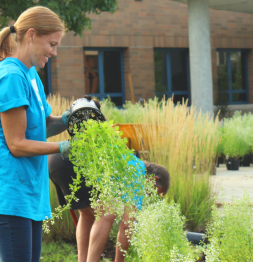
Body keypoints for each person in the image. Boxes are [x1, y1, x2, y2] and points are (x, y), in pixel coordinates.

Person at [0, 6, 72, 262]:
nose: (53, 52)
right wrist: (63, 148)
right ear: (31, 35)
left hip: (31, 193)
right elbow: (17, 144)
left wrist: (69, 118)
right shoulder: (11, 77)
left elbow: (41, 126)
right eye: (51, 44)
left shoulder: (31, 75)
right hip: (12, 195)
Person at [49, 150, 170, 262]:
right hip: (72, 161)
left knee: (87, 215)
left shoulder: (130, 161)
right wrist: (119, 260)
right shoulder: (138, 172)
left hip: (56, 158)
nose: (148, 195)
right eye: (153, 192)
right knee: (108, 212)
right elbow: (127, 226)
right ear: (153, 179)